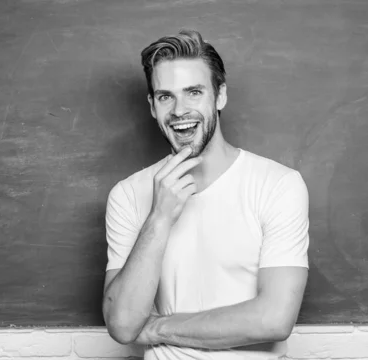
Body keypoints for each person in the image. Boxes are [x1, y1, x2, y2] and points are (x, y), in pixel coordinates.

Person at [102, 29, 310, 360]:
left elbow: (274, 319)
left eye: (194, 92)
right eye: (165, 96)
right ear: (153, 107)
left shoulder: (278, 184)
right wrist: (159, 217)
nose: (179, 110)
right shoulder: (127, 195)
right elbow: (124, 325)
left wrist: (157, 328)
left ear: (220, 95)